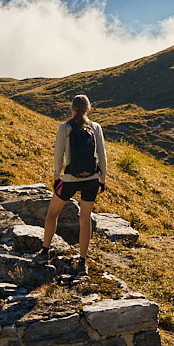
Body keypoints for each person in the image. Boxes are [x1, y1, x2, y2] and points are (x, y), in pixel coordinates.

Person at [35, 94, 107, 276]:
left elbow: (58, 156)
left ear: (72, 108)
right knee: (85, 218)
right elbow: (102, 157)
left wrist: (56, 177)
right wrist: (103, 179)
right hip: (91, 179)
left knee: (52, 213)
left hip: (69, 179)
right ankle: (82, 262)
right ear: (89, 109)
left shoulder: (65, 127)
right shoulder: (96, 127)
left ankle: (44, 251)